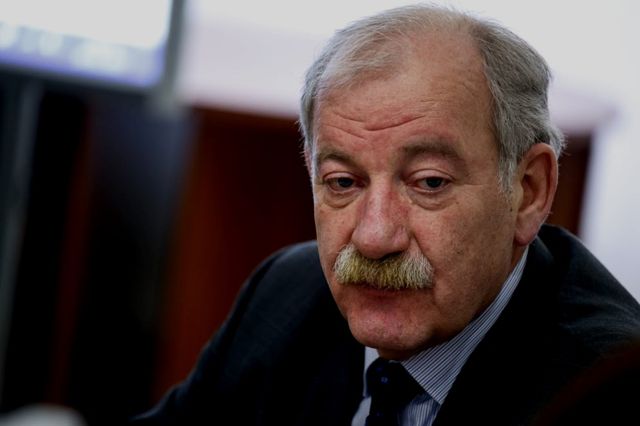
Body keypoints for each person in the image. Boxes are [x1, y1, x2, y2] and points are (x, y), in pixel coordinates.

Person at [131, 4, 640, 425]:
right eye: (343, 182)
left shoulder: (603, 394)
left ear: (528, 191)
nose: (374, 238)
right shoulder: (287, 294)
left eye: (429, 183)